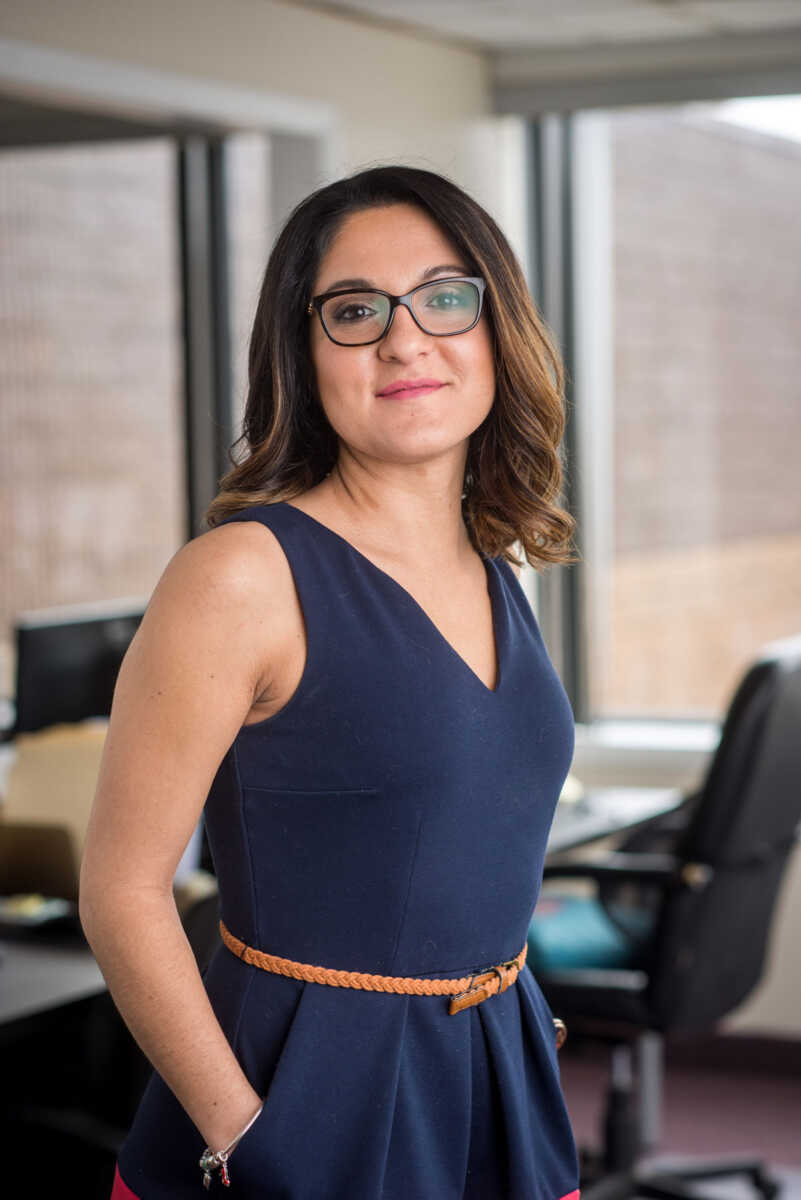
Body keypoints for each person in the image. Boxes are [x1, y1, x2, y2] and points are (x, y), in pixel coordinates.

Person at [79, 163, 582, 1199]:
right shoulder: (242, 575)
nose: (405, 338)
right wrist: (248, 1141)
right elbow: (122, 893)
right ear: (305, 356)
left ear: (498, 330)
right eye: (355, 311)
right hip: (304, 1111)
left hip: (495, 1086)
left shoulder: (492, 561)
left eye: (446, 298)